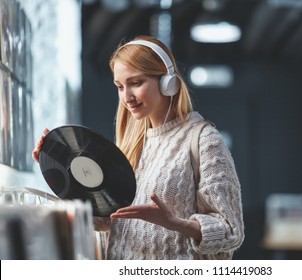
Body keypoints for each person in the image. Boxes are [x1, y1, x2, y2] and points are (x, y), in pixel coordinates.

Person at [32, 35, 244, 260]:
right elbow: (108, 220)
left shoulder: (203, 140)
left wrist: (176, 223)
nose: (126, 97)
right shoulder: (131, 143)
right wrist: (57, 168)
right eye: (120, 86)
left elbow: (231, 231)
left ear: (167, 83)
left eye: (135, 83)